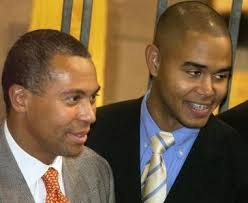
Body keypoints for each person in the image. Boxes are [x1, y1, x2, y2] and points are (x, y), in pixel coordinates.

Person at [87, 1, 247, 203]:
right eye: (194, 72)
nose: (208, 90)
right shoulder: (92, 132)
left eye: (220, 76)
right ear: (155, 61)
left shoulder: (238, 157)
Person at [0, 29, 115, 203]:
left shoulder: (95, 170)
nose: (90, 115)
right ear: (21, 99)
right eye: (73, 99)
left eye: (92, 98)